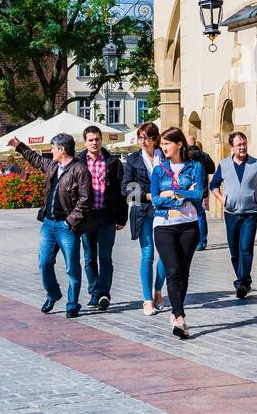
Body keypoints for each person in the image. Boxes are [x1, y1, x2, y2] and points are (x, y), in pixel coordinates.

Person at [11, 133, 93, 318]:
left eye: (53, 148)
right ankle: (53, 294)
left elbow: (86, 200)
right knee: (44, 263)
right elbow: (35, 159)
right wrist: (18, 144)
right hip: (49, 224)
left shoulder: (80, 170)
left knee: (72, 267)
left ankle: (73, 303)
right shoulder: (53, 165)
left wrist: (69, 221)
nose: (51, 151)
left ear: (62, 149)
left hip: (67, 227)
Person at [151, 127, 204, 339]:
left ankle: (176, 311)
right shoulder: (159, 170)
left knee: (183, 272)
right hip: (163, 225)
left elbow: (199, 194)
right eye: (161, 144)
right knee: (172, 271)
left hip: (188, 225)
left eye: (166, 143)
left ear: (179, 144)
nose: (163, 148)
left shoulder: (195, 167)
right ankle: (179, 317)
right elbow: (155, 199)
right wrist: (183, 195)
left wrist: (173, 192)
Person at [210, 131, 257, 300]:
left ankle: (241, 283)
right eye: (239, 145)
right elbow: (213, 185)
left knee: (245, 248)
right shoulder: (223, 165)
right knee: (234, 252)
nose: (243, 147)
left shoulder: (256, 164)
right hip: (230, 214)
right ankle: (245, 279)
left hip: (250, 213)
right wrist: (223, 200)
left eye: (244, 143)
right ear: (232, 147)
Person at [77, 125, 128, 311]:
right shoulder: (78, 162)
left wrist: (122, 217)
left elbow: (122, 192)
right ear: (85, 142)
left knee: (105, 257)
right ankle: (94, 293)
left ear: (101, 140)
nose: (94, 142)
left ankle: (104, 293)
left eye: (97, 139)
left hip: (107, 216)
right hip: (87, 217)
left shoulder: (113, 162)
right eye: (90, 140)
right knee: (90, 258)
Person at [122, 121, 167, 315]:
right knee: (147, 255)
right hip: (143, 212)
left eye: (146, 138)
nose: (142, 141)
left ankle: (158, 290)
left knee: (166, 255)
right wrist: (149, 196)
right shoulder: (133, 160)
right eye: (140, 137)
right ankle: (147, 299)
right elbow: (127, 189)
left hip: (166, 210)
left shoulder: (165, 157)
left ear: (155, 138)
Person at [189, 142, 216, 250]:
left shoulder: (186, 154)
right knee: (200, 215)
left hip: (189, 188)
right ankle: (202, 242)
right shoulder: (204, 155)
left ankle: (192, 240)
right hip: (201, 189)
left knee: (189, 214)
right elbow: (212, 169)